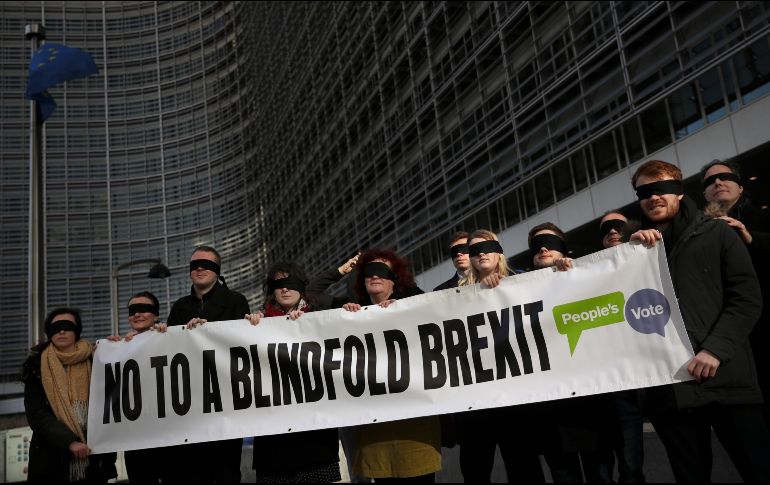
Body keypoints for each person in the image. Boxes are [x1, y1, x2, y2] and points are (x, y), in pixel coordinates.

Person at [630, 159, 770, 482]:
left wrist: (715, 350)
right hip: (672, 393)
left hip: (728, 382)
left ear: (679, 192)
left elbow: (746, 298)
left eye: (662, 188)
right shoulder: (632, 252)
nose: (654, 197)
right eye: (645, 191)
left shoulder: (718, 233)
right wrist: (629, 257)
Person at [341, 249, 441, 482]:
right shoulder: (351, 314)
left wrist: (406, 309)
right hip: (377, 424)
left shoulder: (418, 303)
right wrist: (344, 316)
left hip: (415, 421)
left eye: (383, 271)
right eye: (370, 272)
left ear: (395, 278)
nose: (376, 276)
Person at [453, 229, 546, 483]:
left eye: (487, 246)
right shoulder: (453, 296)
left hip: (516, 398)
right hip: (476, 400)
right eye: (474, 249)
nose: (481, 252)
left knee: (524, 466)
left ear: (499, 251)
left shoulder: (525, 280)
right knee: (475, 469)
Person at [245, 262, 341, 483]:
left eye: (290, 283)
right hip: (274, 445)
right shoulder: (257, 325)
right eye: (279, 284)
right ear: (272, 290)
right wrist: (248, 331)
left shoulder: (323, 316)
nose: (285, 289)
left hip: (316, 442)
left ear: (301, 287)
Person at [166, 245, 251, 483]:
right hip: (190, 406)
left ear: (218, 270)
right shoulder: (180, 306)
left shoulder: (235, 301)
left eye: (206, 264)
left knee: (226, 472)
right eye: (195, 265)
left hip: (225, 403)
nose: (200, 268)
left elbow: (241, 344)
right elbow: (169, 349)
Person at [701, 159, 770, 424]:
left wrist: (749, 237)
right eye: (709, 181)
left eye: (725, 177)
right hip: (732, 337)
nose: (717, 182)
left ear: (740, 187)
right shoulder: (699, 230)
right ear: (705, 194)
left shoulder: (762, 216)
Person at [22, 308, 117, 483]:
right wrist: (70, 442)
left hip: (94, 460)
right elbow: (37, 413)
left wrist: (116, 347)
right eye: (56, 327)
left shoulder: (97, 357)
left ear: (77, 331)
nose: (62, 331)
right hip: (51, 461)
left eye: (67, 326)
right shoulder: (36, 366)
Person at [597, 214, 646, 483]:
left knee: (632, 466)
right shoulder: (586, 272)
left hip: (635, 382)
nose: (614, 231)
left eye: (620, 226)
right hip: (598, 387)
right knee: (601, 468)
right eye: (607, 229)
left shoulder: (647, 258)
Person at [106, 292, 168, 483]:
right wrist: (108, 351)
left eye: (145, 309)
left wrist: (170, 334)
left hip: (170, 439)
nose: (138, 314)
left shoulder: (171, 338)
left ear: (156, 315)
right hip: (137, 441)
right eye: (133, 310)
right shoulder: (119, 348)